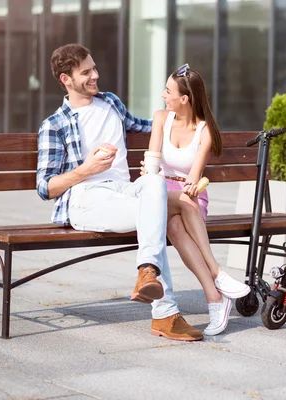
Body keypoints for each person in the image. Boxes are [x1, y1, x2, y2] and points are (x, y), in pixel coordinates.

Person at [36, 43, 203, 342]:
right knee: (155, 210)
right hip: (86, 199)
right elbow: (45, 187)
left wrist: (193, 126)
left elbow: (149, 126)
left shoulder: (111, 103)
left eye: (94, 68)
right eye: (86, 72)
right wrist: (87, 169)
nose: (95, 76)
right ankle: (165, 313)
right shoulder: (55, 125)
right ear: (65, 79)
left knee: (154, 182)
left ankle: (147, 271)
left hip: (124, 191)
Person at [143, 63, 250, 336]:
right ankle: (218, 275)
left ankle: (215, 297)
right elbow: (153, 162)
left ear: (184, 99)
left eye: (168, 91)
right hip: (160, 195)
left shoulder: (205, 131)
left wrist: (190, 186)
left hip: (189, 201)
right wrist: (150, 176)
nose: (163, 96)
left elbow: (194, 177)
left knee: (177, 225)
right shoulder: (160, 118)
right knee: (180, 204)